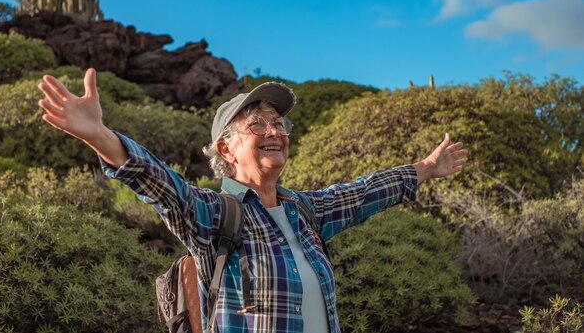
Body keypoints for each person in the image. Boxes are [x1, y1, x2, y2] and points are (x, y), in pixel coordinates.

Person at [37, 68, 467, 333]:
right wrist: (102, 138)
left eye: (278, 123)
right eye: (256, 124)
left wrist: (424, 169)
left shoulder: (304, 211)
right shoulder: (212, 214)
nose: (273, 130)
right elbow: (161, 184)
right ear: (226, 150)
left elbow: (360, 194)